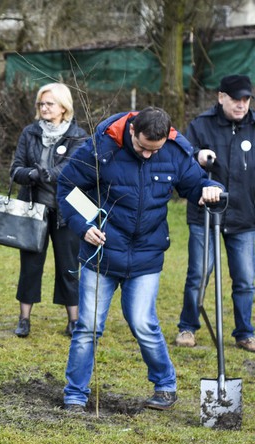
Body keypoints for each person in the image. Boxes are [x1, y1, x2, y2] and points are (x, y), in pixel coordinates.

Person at [57, 107, 224, 412]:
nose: (148, 155)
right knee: (88, 327)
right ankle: (75, 394)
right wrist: (84, 226)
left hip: (146, 255)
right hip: (102, 252)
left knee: (143, 323)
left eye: (154, 150)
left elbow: (195, 183)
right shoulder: (101, 148)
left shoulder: (173, 152)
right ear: (131, 131)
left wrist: (212, 189)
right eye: (142, 148)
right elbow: (66, 187)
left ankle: (165, 385)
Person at [175, 74, 255, 352]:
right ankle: (187, 327)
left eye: (246, 100)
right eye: (236, 99)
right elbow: (180, 159)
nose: (241, 105)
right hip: (205, 215)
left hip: (245, 216)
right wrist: (196, 155)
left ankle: (244, 332)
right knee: (199, 273)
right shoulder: (200, 125)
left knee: (244, 278)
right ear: (221, 97)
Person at [10, 83, 87, 338]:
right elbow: (16, 169)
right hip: (34, 209)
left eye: (49, 104)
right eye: (41, 104)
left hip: (67, 212)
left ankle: (74, 321)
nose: (44, 108)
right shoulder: (29, 133)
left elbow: (70, 170)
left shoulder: (79, 136)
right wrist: (30, 173)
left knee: (69, 266)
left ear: (64, 107)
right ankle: (24, 319)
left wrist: (40, 173)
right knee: (30, 266)